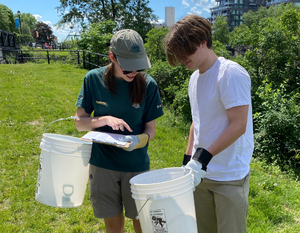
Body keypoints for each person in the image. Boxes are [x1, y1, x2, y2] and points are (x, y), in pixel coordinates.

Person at [164, 15, 254, 233]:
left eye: (186, 49)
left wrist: (202, 158)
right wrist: (188, 161)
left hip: (229, 176)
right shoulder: (194, 78)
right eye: (178, 52)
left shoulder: (229, 73)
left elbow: (238, 125)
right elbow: (197, 122)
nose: (182, 56)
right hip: (201, 175)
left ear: (203, 41)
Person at [74, 29, 164, 233]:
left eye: (138, 67)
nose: (134, 73)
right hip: (103, 165)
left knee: (143, 224)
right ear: (112, 57)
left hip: (136, 165)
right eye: (128, 68)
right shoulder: (93, 79)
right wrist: (104, 119)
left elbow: (151, 129)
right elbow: (80, 123)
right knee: (113, 228)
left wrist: (138, 140)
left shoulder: (148, 85)